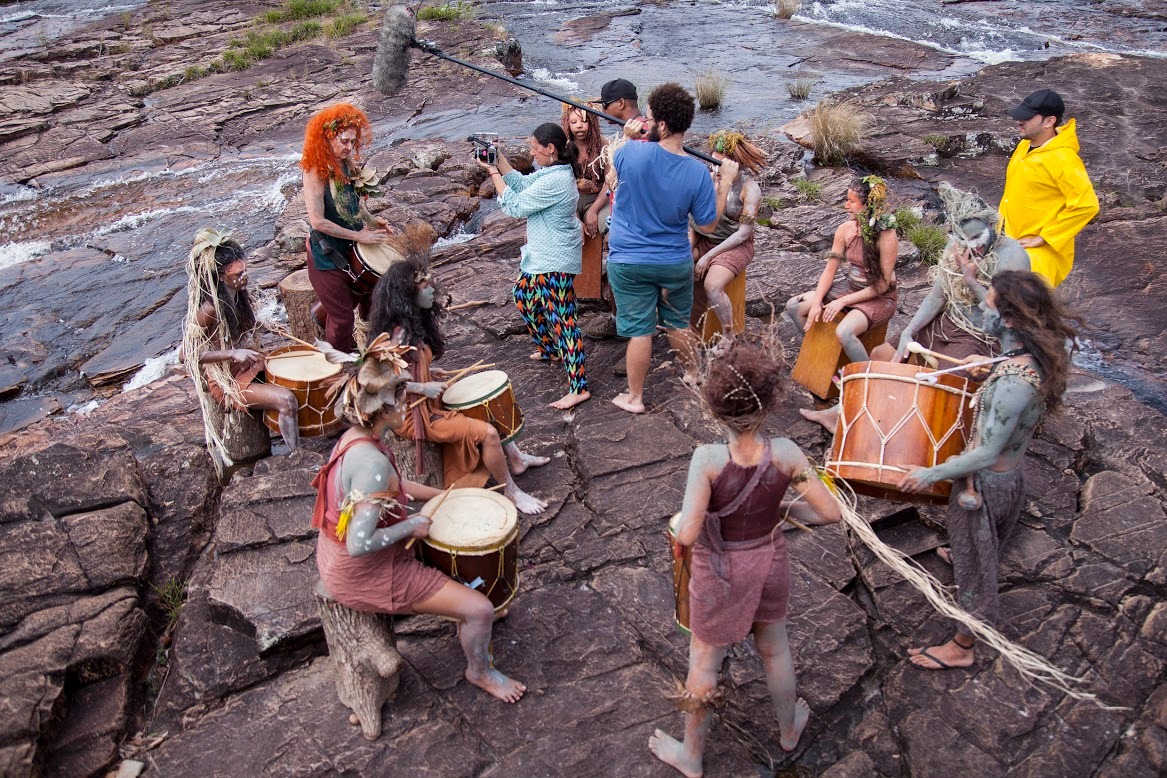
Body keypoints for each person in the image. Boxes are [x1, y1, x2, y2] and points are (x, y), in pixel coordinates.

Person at [650, 340, 841, 776]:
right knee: (775, 649)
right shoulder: (789, 453)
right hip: (769, 563)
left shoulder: (709, 459)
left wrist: (680, 527)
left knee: (704, 663)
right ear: (772, 401)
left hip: (721, 575)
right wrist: (782, 511)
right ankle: (789, 727)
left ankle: (692, 756)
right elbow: (830, 513)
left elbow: (690, 532)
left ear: (713, 407)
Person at [311, 331, 525, 703]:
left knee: (464, 566)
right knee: (481, 609)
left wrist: (447, 495)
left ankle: (466, 612)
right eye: (401, 400)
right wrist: (412, 524)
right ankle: (480, 671)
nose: (408, 405)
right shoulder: (371, 464)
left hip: (338, 556)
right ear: (383, 410)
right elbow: (360, 545)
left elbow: (398, 486)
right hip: (365, 572)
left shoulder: (358, 439)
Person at [897, 270, 1078, 670]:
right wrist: (972, 280)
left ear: (1010, 319)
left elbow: (986, 451)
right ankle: (973, 553)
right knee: (980, 547)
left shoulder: (1015, 383)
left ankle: (964, 644)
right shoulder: (1025, 356)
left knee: (975, 571)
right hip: (1007, 477)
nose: (982, 307)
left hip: (985, 484)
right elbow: (1005, 341)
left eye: (988, 302)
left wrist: (929, 473)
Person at [799, 184, 1030, 431]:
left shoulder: (1014, 257)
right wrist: (909, 331)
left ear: (990, 227)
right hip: (945, 323)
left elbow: (1004, 315)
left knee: (941, 382)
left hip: (980, 336)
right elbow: (936, 298)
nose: (972, 248)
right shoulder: (956, 247)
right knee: (880, 356)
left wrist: (971, 281)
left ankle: (887, 425)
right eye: (963, 241)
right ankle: (842, 412)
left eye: (976, 240)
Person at [367, 235, 550, 515]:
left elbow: (410, 365)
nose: (432, 292)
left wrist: (428, 372)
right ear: (408, 295)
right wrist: (422, 387)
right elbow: (381, 382)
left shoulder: (410, 325)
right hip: (413, 415)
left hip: (425, 401)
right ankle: (511, 492)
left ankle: (516, 458)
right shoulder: (398, 336)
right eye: (425, 287)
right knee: (488, 433)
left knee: (485, 405)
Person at [608, 83, 740, 413]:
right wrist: (724, 182)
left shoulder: (631, 152)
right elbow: (707, 225)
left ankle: (635, 398)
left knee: (640, 330)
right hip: (674, 261)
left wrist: (627, 137)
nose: (644, 122)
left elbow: (612, 179)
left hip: (629, 261)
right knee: (678, 321)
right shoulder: (697, 171)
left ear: (662, 125)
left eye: (649, 118)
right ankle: (693, 373)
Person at [480, 123, 590, 410]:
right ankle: (550, 350)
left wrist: (491, 172)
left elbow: (515, 206)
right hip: (539, 257)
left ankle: (579, 387)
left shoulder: (556, 180)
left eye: (533, 147)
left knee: (563, 321)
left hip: (553, 260)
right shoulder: (550, 172)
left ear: (550, 148)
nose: (531, 152)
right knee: (524, 297)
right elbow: (520, 183)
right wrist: (498, 158)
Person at [181, 228, 300, 460]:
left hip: (248, 367)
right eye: (238, 273)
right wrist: (232, 354)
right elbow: (185, 356)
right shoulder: (209, 310)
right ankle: (296, 456)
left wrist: (268, 327)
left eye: (245, 270)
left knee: (295, 368)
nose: (244, 277)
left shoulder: (237, 295)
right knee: (286, 399)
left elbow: (243, 330)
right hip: (227, 381)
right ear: (220, 276)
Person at [301, 103, 395, 353]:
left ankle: (369, 344)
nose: (349, 148)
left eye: (353, 142)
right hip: (327, 253)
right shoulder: (314, 169)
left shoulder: (345, 163)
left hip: (351, 247)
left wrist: (374, 221)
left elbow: (354, 204)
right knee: (342, 319)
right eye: (344, 141)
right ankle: (340, 368)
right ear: (327, 136)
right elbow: (317, 221)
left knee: (370, 296)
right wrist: (359, 235)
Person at [786, 176, 898, 364]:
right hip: (850, 287)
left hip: (877, 297)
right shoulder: (845, 230)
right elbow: (830, 270)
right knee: (794, 306)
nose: (846, 206)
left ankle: (865, 379)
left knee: (844, 332)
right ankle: (822, 359)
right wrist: (816, 303)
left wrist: (842, 302)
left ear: (867, 205)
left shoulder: (886, 235)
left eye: (851, 201)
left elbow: (881, 287)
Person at [999, 89, 1099, 287]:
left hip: (1037, 257)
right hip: (1010, 241)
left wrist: (1044, 238)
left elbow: (1087, 205)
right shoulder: (1025, 146)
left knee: (1026, 313)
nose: (1019, 122)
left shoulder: (1063, 158)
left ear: (1049, 121)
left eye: (1026, 118)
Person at [689, 131, 764, 349]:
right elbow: (695, 220)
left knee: (712, 285)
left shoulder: (750, 189)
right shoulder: (708, 179)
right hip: (705, 238)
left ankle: (728, 335)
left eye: (721, 165)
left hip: (734, 245)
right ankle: (688, 323)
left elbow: (742, 233)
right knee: (675, 266)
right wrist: (690, 247)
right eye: (713, 163)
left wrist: (708, 257)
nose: (716, 169)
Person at [583, 78, 643, 349]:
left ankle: (635, 340)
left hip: (634, 224)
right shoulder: (633, 133)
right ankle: (618, 321)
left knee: (629, 276)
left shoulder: (641, 136)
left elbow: (632, 184)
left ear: (620, 103)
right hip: (622, 220)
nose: (603, 110)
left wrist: (618, 225)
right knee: (618, 273)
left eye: (605, 105)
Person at [561, 103, 608, 223]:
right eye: (574, 122)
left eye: (584, 121)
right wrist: (573, 213)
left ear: (592, 123)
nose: (579, 126)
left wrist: (593, 210)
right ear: (568, 124)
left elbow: (609, 183)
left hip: (597, 198)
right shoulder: (563, 146)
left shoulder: (603, 144)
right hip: (571, 199)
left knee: (604, 224)